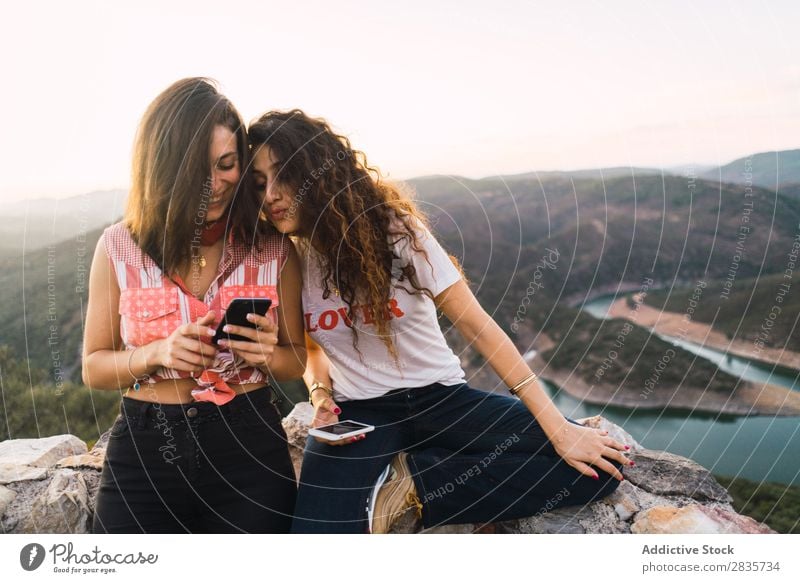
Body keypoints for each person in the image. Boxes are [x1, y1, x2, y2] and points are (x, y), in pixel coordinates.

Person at [248, 109, 632, 534]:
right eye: (259, 183)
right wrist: (320, 396)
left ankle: (412, 487)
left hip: (444, 400)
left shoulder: (396, 231)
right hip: (360, 415)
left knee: (599, 469)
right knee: (315, 535)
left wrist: (559, 427)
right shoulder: (288, 260)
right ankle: (399, 480)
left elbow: (478, 327)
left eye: (283, 174)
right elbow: (314, 348)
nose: (271, 195)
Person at [83, 78, 306, 533]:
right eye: (200, 171)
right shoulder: (117, 247)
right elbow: (94, 366)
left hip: (249, 448)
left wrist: (266, 354)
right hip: (145, 450)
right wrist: (158, 353)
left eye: (227, 165)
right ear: (164, 170)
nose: (218, 184)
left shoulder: (273, 250)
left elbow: (297, 358)